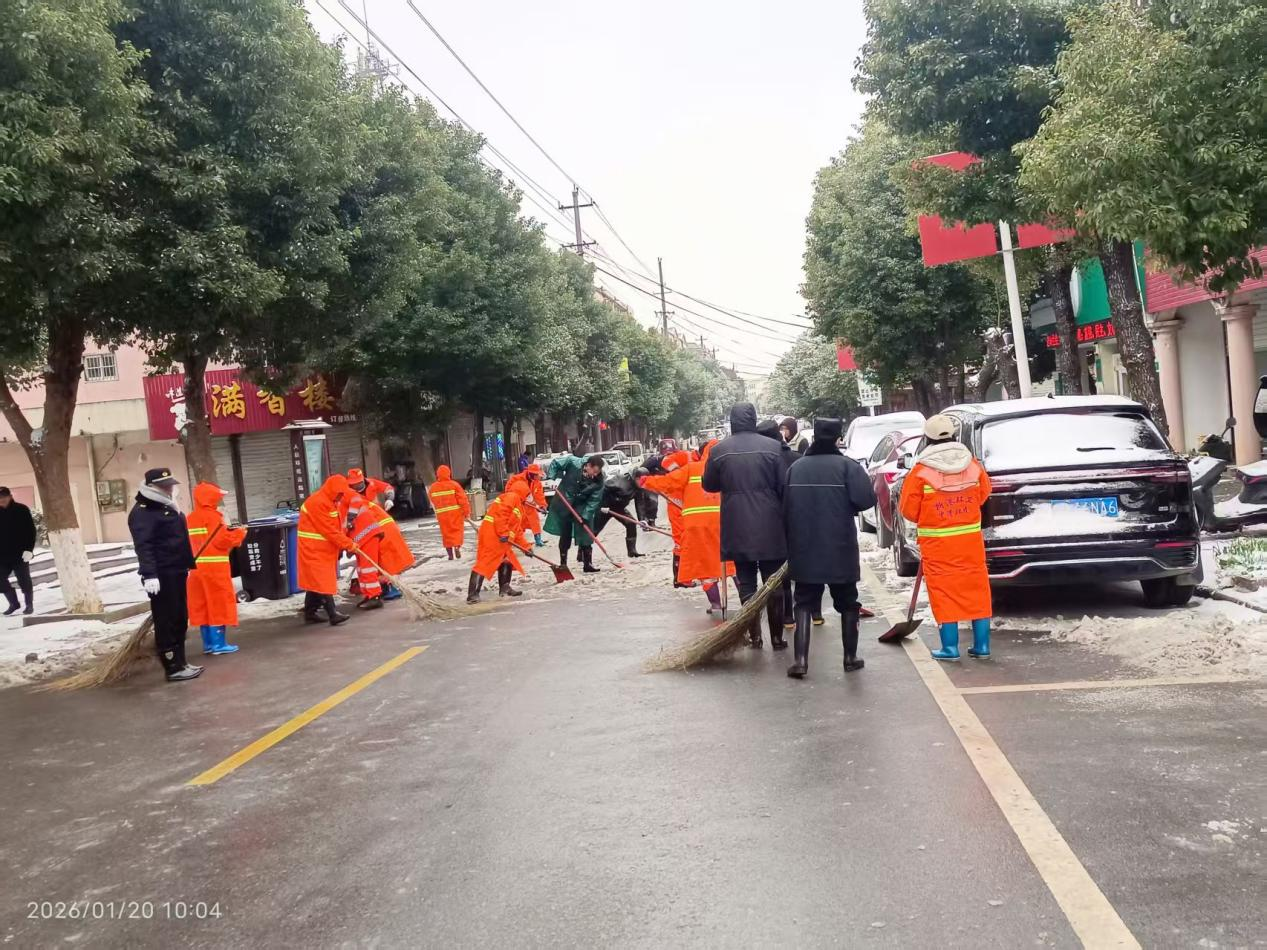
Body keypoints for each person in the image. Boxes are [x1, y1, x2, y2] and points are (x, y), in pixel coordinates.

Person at [783, 419, 877, 678]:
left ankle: (801, 661)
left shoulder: (796, 468)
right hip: (840, 546)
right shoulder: (848, 467)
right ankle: (850, 657)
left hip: (804, 546)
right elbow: (865, 500)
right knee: (848, 602)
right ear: (838, 438)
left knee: (803, 602)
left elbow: (785, 507)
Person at [898, 415, 993, 661]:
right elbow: (984, 493)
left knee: (943, 592)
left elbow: (908, 510)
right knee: (977, 589)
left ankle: (950, 648)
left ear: (927, 438)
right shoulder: (972, 465)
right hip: (970, 543)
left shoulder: (921, 471)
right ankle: (982, 646)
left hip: (938, 546)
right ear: (953, 435)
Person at [702, 403, 789, 649]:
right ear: (753, 419)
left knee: (747, 582)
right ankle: (777, 637)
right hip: (770, 524)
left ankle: (755, 635)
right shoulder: (773, 448)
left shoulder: (719, 451)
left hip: (736, 524)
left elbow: (709, 484)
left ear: (732, 421)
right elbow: (784, 485)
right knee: (773, 581)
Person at [641, 440, 733, 611]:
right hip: (725, 521)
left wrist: (646, 481)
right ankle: (748, 601)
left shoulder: (691, 468)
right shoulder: (729, 469)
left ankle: (716, 604)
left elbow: (668, 482)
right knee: (733, 563)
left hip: (696, 524)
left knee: (704, 566)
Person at [127, 468, 201, 682]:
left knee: (179, 618)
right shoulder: (143, 511)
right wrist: (150, 574)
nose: (169, 488)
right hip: (161, 575)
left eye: (170, 484)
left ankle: (181, 661)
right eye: (164, 485)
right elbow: (144, 546)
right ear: (152, 487)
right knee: (167, 621)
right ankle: (172, 667)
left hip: (176, 570)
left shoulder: (166, 505)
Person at [185, 482, 247, 655]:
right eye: (217, 497)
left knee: (203, 605)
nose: (219, 500)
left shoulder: (189, 518)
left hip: (196, 570)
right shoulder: (213, 517)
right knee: (218, 604)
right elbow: (222, 541)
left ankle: (208, 644)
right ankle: (219, 644)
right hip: (215, 569)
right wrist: (240, 533)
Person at [757, 418, 799, 639]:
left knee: (775, 572)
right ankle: (795, 614)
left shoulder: (760, 459)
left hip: (769, 521)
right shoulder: (793, 458)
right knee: (789, 568)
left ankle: (782, 618)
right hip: (792, 518)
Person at [297, 474, 357, 626]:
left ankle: (310, 613)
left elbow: (335, 527)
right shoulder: (318, 502)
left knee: (316, 581)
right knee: (322, 580)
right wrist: (347, 544)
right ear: (332, 490)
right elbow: (329, 530)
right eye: (340, 493)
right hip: (313, 548)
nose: (341, 496)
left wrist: (342, 544)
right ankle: (332, 614)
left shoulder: (329, 501)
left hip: (322, 548)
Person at [468, 481, 531, 603]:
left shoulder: (518, 505)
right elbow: (501, 515)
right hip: (492, 534)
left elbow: (517, 531)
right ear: (522, 492)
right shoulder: (512, 497)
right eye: (528, 494)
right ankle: (472, 594)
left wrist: (526, 547)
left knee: (506, 560)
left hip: (501, 535)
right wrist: (503, 532)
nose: (529, 497)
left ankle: (505, 588)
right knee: (485, 562)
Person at [543, 454, 605, 573]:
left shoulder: (599, 480)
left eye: (598, 472)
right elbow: (556, 463)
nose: (595, 474)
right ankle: (563, 564)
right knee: (565, 534)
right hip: (565, 502)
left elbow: (595, 499)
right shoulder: (573, 462)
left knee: (586, 534)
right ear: (588, 465)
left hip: (582, 506)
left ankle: (588, 564)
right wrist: (551, 478)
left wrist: (585, 515)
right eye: (594, 471)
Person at [640, 449, 692, 588]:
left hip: (684, 502)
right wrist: (676, 472)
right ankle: (680, 579)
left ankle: (686, 576)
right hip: (676, 502)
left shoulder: (698, 460)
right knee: (681, 541)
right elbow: (666, 464)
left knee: (688, 541)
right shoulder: (685, 457)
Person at [0, 487, 36, 616]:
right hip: (2, 556)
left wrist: (29, 550)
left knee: (24, 580)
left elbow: (30, 531)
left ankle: (29, 605)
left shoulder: (21, 510)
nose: (2, 500)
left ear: (10, 496)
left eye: (4, 497)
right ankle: (14, 603)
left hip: (20, 554)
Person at [595, 469, 644, 559]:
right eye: (640, 479)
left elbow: (640, 503)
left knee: (631, 523)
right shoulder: (620, 482)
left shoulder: (639, 488)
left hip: (619, 508)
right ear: (635, 478)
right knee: (595, 529)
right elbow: (603, 489)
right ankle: (582, 553)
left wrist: (642, 520)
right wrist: (601, 505)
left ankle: (632, 551)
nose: (642, 482)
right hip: (605, 507)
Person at [427, 464, 470, 559]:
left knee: (446, 534)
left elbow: (432, 499)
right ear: (448, 473)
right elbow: (462, 499)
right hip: (455, 513)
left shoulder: (433, 487)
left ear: (437, 474)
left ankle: (450, 554)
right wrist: (466, 512)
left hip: (442, 515)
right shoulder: (454, 485)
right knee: (457, 531)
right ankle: (457, 546)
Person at [507, 463, 547, 547]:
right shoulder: (517, 479)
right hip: (518, 504)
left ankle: (538, 539)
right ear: (532, 474)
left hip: (529, 504)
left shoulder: (537, 482)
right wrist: (514, 499)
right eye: (537, 475)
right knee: (518, 523)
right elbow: (508, 490)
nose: (538, 477)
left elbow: (539, 495)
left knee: (535, 520)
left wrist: (542, 505)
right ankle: (517, 541)